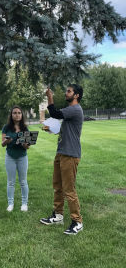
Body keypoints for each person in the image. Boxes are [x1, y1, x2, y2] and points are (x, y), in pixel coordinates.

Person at [40, 84, 84, 235]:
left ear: (76, 95)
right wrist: (50, 128)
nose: (66, 93)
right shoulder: (71, 112)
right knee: (58, 186)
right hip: (61, 153)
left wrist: (49, 96)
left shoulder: (75, 109)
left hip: (70, 155)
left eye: (69, 91)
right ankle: (58, 215)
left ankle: (77, 221)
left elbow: (55, 113)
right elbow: (62, 128)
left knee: (69, 189)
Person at [2, 106, 30, 212]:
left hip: (22, 157)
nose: (17, 114)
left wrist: (24, 144)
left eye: (19, 113)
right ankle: (10, 204)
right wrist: (6, 141)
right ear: (11, 115)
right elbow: (2, 144)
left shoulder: (25, 128)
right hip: (10, 157)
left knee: (23, 181)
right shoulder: (6, 127)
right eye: (14, 113)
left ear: (22, 115)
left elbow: (28, 147)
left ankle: (24, 204)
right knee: (10, 182)